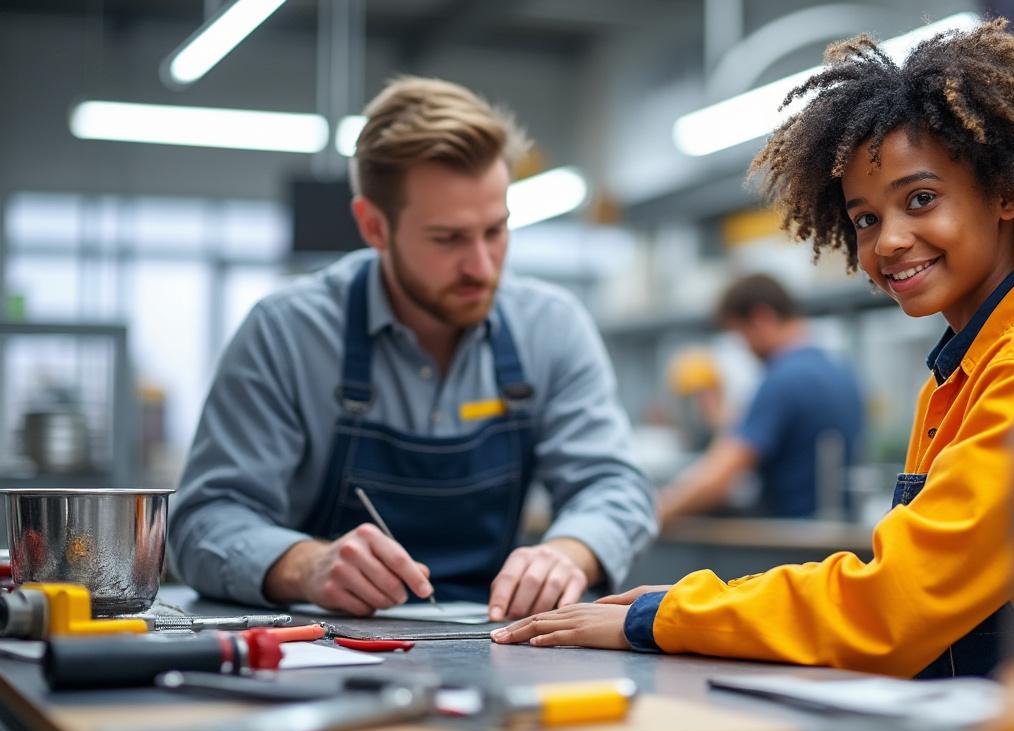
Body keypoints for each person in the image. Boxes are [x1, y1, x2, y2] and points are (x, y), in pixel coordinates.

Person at [491, 20, 1014, 677]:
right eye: (866, 218)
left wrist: (665, 617)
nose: (887, 243)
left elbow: (890, 607)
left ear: (1005, 193)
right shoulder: (971, 366)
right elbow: (910, 586)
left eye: (920, 200)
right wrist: (692, 605)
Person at [168, 77, 656, 621]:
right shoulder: (286, 333)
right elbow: (204, 521)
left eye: (496, 231)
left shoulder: (552, 327)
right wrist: (305, 565)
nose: (482, 266)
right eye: (448, 239)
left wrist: (569, 554)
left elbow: (613, 486)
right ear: (374, 226)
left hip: (496, 641)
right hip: (328, 649)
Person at [658, 275, 864, 522]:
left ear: (761, 318)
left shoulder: (783, 381)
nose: (745, 349)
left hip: (792, 538)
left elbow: (718, 479)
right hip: (836, 533)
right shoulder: (840, 371)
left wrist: (655, 513)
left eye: (741, 335)